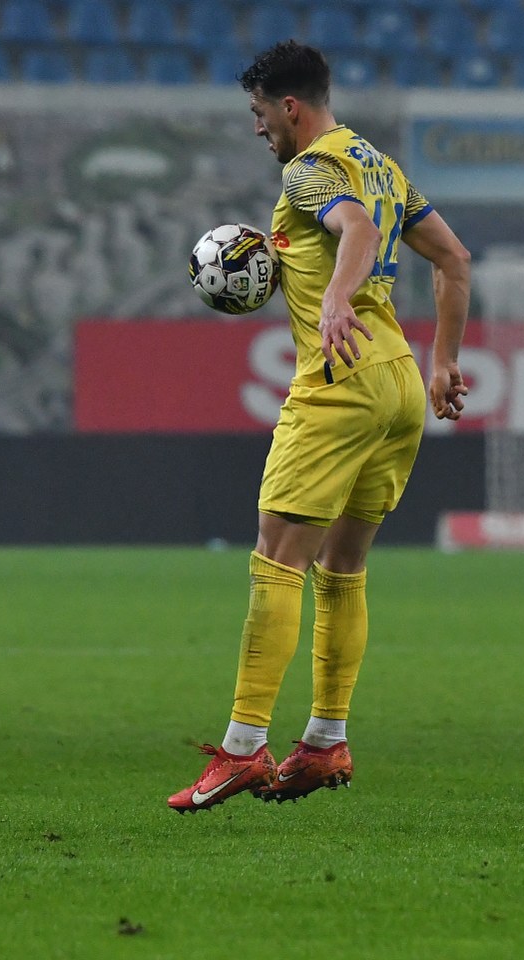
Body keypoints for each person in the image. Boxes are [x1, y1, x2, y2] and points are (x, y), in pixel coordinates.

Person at [168, 41, 472, 813]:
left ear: (289, 107)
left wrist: (336, 300)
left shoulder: (307, 171)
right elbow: (454, 259)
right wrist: (443, 363)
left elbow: (359, 233)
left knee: (277, 559)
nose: (258, 128)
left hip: (339, 382)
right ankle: (325, 738)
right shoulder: (380, 165)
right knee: (343, 567)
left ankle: (243, 749)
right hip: (400, 382)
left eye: (259, 114)